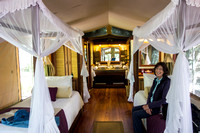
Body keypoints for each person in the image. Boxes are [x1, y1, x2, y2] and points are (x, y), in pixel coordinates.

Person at [132, 62, 171, 133]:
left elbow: (164, 100)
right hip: (151, 105)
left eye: (160, 69)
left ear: (164, 71)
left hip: (159, 108)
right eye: (157, 68)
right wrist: (147, 105)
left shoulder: (167, 81)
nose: (158, 71)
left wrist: (149, 106)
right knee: (134, 109)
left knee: (135, 114)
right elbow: (150, 95)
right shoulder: (156, 80)